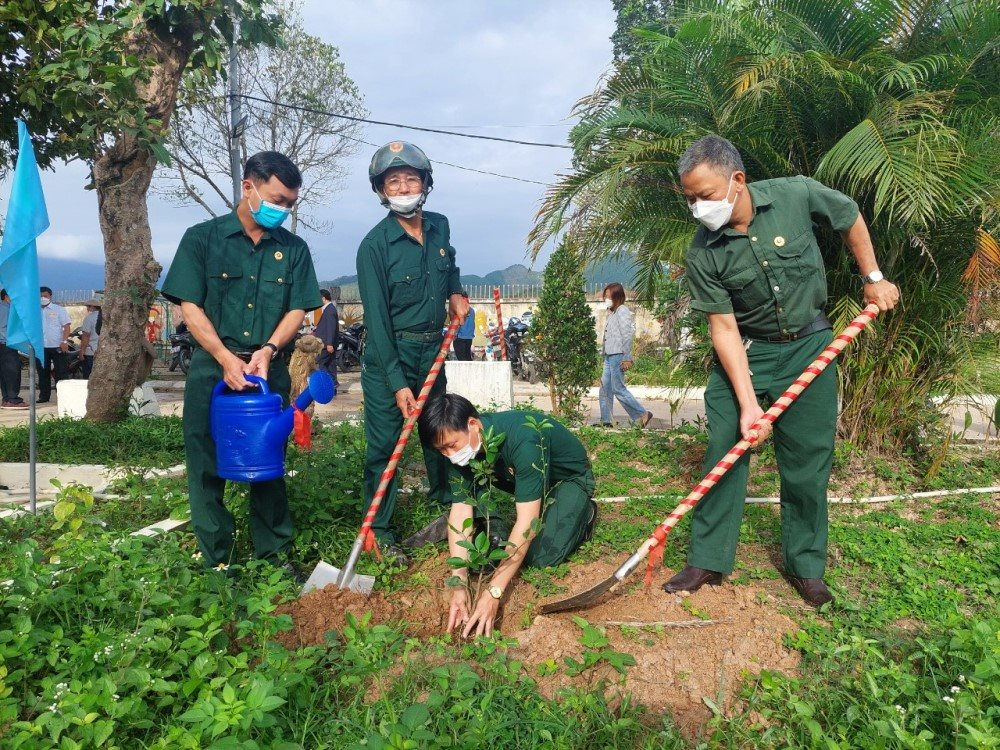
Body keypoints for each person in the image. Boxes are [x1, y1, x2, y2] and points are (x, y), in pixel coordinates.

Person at [665, 134, 900, 607]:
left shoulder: (796, 193)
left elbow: (849, 215)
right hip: (747, 354)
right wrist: (749, 404)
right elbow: (724, 328)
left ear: (737, 181)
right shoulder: (703, 252)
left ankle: (806, 566)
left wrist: (872, 278)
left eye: (705, 196)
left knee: (807, 464)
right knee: (724, 450)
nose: (697, 208)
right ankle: (708, 559)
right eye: (690, 199)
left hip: (810, 347)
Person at [161, 151, 321, 576]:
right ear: (248, 187)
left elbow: (296, 311)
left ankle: (272, 559)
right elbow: (189, 306)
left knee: (267, 462)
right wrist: (224, 357)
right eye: (276, 199)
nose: (282, 210)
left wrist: (267, 351)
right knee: (206, 463)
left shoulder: (294, 249)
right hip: (213, 370)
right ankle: (218, 561)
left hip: (268, 372)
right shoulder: (203, 239)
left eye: (289, 203)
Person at [356, 141, 469, 563]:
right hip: (392, 354)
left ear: (425, 184)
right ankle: (379, 530)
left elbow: (451, 264)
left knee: (438, 428)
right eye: (393, 181)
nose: (403, 187)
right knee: (385, 445)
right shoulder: (374, 246)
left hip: (432, 351)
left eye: (410, 179)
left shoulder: (439, 226)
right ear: (382, 191)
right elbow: (378, 323)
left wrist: (456, 291)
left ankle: (446, 502)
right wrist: (397, 382)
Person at [417, 393, 598, 637]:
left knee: (542, 557)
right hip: (524, 481)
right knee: (485, 506)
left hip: (568, 480)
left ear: (472, 424)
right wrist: (458, 584)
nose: (449, 455)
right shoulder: (463, 450)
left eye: (452, 445)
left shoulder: (524, 440)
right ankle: (519, 508)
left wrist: (493, 592)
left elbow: (526, 524)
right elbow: (460, 510)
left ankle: (583, 513)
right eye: (442, 450)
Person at [599, 282, 653, 428]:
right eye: (605, 296)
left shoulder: (622, 310)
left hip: (618, 355)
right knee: (605, 388)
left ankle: (642, 414)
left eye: (609, 296)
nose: (606, 299)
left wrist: (627, 357)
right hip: (609, 355)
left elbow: (627, 335)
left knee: (618, 388)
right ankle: (606, 420)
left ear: (617, 297)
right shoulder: (611, 312)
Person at [39, 286, 70, 403]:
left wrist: (65, 341)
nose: (43, 298)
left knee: (61, 372)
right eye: (41, 296)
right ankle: (44, 396)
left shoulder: (59, 310)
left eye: (45, 296)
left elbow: (66, 326)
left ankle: (62, 397)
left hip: (58, 346)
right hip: (41, 347)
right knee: (43, 372)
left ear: (50, 296)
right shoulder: (35, 311)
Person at [0, 289, 27, 408]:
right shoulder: (6, 309)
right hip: (7, 344)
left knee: (4, 373)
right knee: (12, 372)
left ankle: (6, 398)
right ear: (6, 297)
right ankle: (13, 399)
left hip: (4, 344)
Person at [313, 288, 339, 388]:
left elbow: (331, 328)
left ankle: (329, 383)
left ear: (323, 298)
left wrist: (329, 344)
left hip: (326, 344)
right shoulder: (329, 309)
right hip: (328, 343)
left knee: (321, 362)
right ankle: (334, 383)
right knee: (330, 364)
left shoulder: (329, 310)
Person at [77, 299, 102, 378]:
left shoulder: (89, 318)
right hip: (104, 350)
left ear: (92, 307)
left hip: (91, 351)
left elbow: (86, 336)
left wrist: (82, 352)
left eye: (88, 306)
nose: (87, 308)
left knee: (88, 376)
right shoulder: (107, 316)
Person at [453, 293, 475, 360]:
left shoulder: (459, 309)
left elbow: (458, 324)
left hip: (460, 337)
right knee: (468, 356)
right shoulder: (472, 310)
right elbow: (472, 323)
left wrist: (455, 334)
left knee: (461, 358)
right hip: (469, 337)